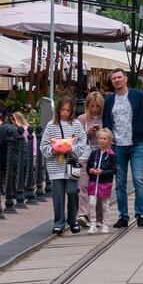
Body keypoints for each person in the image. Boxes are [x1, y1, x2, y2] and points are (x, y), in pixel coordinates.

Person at [102, 68, 143, 229]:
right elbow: (106, 123)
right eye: (114, 78)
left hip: (137, 145)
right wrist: (107, 143)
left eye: (119, 77)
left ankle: (140, 214)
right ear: (112, 81)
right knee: (120, 182)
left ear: (125, 79)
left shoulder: (138, 96)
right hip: (118, 147)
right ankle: (123, 216)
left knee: (138, 179)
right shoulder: (109, 100)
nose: (117, 80)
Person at [40, 96, 86, 235]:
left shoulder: (76, 125)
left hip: (71, 165)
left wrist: (72, 148)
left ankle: (73, 220)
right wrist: (54, 149)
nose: (65, 113)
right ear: (58, 109)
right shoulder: (51, 125)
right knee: (58, 195)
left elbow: (82, 142)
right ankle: (59, 223)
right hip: (55, 166)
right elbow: (44, 146)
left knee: (73, 192)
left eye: (68, 110)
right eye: (63, 110)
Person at [75, 92, 105, 229]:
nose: (94, 109)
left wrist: (100, 135)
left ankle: (99, 217)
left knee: (98, 187)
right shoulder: (82, 119)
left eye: (97, 106)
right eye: (92, 106)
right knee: (84, 185)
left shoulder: (105, 118)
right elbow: (76, 137)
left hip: (100, 155)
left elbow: (110, 136)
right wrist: (88, 133)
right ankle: (83, 214)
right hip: (85, 155)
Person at [84, 127, 117, 233]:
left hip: (105, 183)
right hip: (94, 182)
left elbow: (114, 170)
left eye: (105, 139)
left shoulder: (111, 155)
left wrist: (102, 172)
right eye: (100, 138)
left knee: (105, 204)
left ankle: (105, 224)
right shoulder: (94, 153)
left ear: (109, 140)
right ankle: (93, 224)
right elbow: (88, 167)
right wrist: (91, 170)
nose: (102, 140)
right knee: (92, 203)